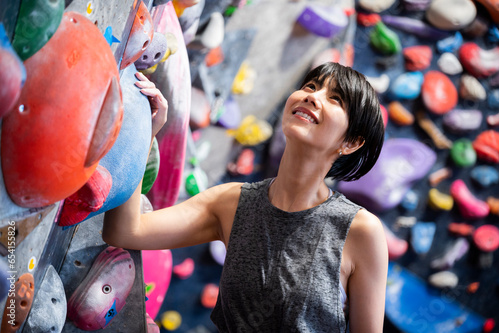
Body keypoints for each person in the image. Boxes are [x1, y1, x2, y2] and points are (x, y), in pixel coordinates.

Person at [104, 62, 388, 333]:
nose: (312, 97)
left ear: (351, 142)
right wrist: (145, 130)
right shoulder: (231, 203)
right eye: (311, 86)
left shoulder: (359, 231)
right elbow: (126, 231)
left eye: (335, 98)